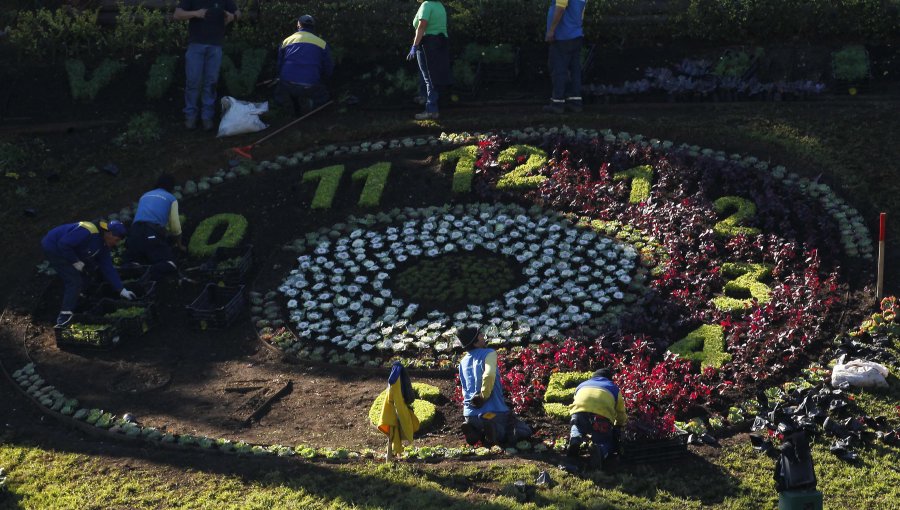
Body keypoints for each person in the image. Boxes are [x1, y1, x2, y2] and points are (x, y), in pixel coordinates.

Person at [41, 220, 136, 327]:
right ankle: (64, 317)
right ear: (109, 233)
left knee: (90, 270)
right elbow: (63, 244)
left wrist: (122, 290)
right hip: (54, 247)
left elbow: (108, 268)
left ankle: (78, 298)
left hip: (74, 250)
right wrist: (75, 261)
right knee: (74, 280)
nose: (116, 243)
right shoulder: (88, 232)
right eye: (116, 240)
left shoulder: (104, 246)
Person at [457, 326, 532, 446]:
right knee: (523, 430)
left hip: (470, 414)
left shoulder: (463, 362)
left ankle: (476, 431)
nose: (483, 336)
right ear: (475, 343)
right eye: (480, 335)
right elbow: (489, 374)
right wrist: (483, 396)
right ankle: (497, 433)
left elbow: (464, 388)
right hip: (492, 413)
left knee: (484, 424)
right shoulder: (489, 353)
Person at [173, 0, 240, 131]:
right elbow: (177, 14)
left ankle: (207, 117)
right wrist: (196, 13)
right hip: (196, 46)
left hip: (215, 46)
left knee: (211, 82)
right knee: (193, 81)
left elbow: (238, 13)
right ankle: (190, 115)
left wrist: (233, 17)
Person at [124, 174, 184, 281]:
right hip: (151, 232)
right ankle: (149, 276)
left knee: (134, 264)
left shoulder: (145, 195)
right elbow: (175, 227)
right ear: (171, 187)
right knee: (170, 264)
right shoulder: (171, 198)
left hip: (134, 233)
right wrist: (179, 245)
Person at [274, 14, 334, 117]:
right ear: (313, 27)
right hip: (310, 86)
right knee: (324, 96)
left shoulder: (286, 41)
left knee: (280, 92)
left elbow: (279, 65)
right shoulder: (322, 44)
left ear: (298, 26)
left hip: (288, 85)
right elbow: (329, 69)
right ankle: (310, 104)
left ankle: (288, 104)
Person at [567, 368, 627, 469]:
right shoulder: (613, 388)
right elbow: (620, 412)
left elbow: (576, 400)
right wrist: (619, 425)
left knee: (577, 425)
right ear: (609, 379)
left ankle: (575, 438)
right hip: (601, 417)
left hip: (579, 412)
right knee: (605, 440)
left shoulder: (581, 385)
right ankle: (600, 450)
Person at [407, 0, 451, 120]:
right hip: (440, 43)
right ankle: (424, 97)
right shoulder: (440, 5)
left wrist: (414, 46)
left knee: (429, 78)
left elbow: (422, 26)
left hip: (428, 44)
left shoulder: (426, 5)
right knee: (426, 74)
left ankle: (431, 110)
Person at [544, 0, 587, 114]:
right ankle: (575, 103)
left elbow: (560, 8)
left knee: (558, 69)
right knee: (575, 71)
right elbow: (581, 13)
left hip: (562, 36)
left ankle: (557, 104)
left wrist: (551, 30)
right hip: (575, 35)